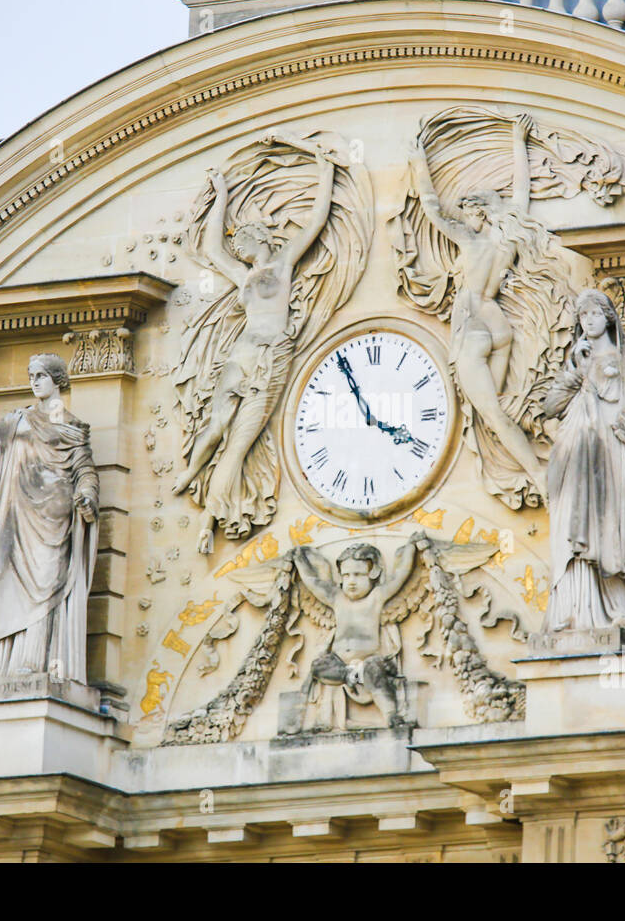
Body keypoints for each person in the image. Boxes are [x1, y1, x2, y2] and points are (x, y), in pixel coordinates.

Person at [173, 131, 345, 553]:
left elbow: (317, 220)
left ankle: (209, 517)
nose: (237, 244)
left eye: (243, 239)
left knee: (240, 439)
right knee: (215, 428)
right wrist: (221, 194)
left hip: (272, 358)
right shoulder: (243, 275)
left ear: (261, 239)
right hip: (243, 354)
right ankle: (191, 471)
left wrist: (325, 170)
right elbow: (213, 247)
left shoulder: (285, 264)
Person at [409, 114, 554, 502]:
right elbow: (522, 194)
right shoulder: (507, 239)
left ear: (479, 212)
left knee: (492, 415)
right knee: (497, 413)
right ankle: (527, 464)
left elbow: (431, 207)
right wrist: (518, 143)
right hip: (500, 329)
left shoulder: (470, 243)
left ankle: (537, 472)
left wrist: (418, 160)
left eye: (469, 212)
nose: (466, 218)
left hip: (474, 330)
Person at [0, 354, 99, 682]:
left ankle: (36, 661)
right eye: (31, 375)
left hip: (54, 516)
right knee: (9, 586)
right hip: (17, 516)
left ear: (58, 379)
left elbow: (85, 471)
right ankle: (5, 665)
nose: (34, 381)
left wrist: (87, 495)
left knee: (47, 585)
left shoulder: (72, 425)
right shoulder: (16, 420)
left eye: (41, 375)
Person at [543, 289, 625, 633]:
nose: (589, 321)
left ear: (609, 318)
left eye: (595, 314)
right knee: (572, 530)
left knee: (609, 527)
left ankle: (617, 608)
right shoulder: (575, 364)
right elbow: (550, 406)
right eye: (583, 317)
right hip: (573, 456)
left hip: (611, 456)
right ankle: (571, 610)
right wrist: (577, 370)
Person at [292, 535, 428, 729]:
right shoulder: (337, 598)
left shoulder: (377, 597)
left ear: (372, 574)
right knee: (319, 666)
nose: (352, 581)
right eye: (346, 576)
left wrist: (411, 549)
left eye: (358, 574)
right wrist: (300, 561)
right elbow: (314, 583)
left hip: (369, 660)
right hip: (340, 664)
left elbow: (401, 575)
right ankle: (349, 677)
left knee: (374, 670)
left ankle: (391, 715)